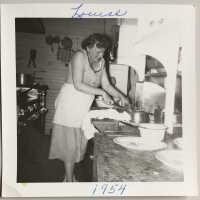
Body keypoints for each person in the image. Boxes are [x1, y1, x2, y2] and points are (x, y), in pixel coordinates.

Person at [49, 33, 130, 182]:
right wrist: (102, 93)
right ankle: (69, 181)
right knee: (70, 146)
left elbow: (106, 84)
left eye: (103, 51)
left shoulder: (101, 61)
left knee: (78, 143)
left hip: (82, 105)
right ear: (88, 47)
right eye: (98, 51)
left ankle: (68, 177)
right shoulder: (79, 56)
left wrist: (121, 96)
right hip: (70, 103)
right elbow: (78, 83)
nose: (101, 54)